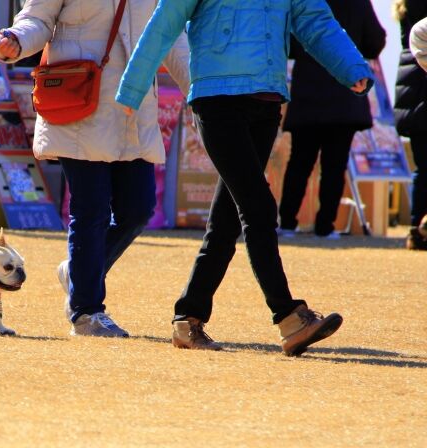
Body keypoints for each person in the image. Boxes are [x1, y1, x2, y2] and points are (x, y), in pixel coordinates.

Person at [116, 0, 374, 355]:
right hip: (217, 99)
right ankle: (289, 317)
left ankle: (188, 319)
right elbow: (165, 22)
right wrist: (132, 87)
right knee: (258, 208)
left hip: (267, 101)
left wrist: (351, 67)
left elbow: (315, 21)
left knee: (226, 220)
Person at [0, 0, 190, 337]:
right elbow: (37, 19)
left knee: (138, 209)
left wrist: (201, 91)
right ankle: (86, 313)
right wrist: (16, 40)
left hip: (133, 108)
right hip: (80, 104)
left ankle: (77, 273)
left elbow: (172, 36)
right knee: (91, 211)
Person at [278, 0, 386, 239]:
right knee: (334, 167)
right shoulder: (358, 3)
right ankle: (325, 226)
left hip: (308, 93)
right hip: (344, 94)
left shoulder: (305, 1)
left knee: (299, 163)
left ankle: (287, 223)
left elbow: (288, 43)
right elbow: (375, 41)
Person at [393, 0, 427, 251]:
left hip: (409, 92)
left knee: (422, 168)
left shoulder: (405, 7)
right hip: (421, 87)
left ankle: (416, 228)